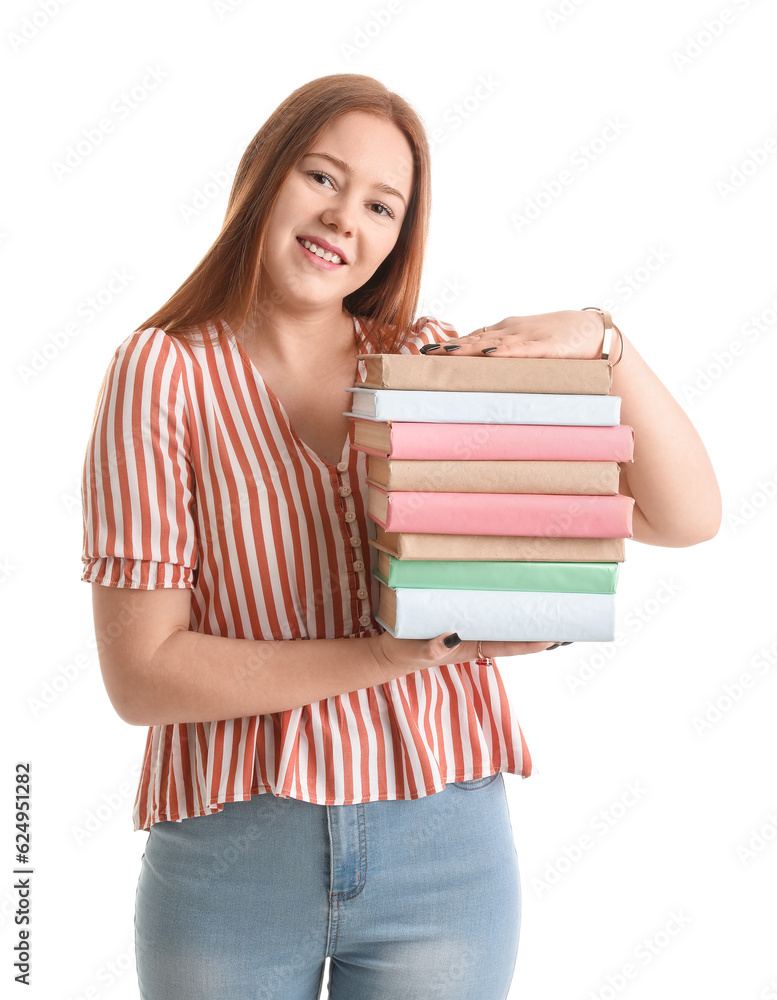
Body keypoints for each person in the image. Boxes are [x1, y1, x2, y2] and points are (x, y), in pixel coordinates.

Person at [80, 73, 721, 999]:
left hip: (445, 851)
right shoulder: (161, 371)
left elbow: (684, 515)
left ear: (397, 236)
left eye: (381, 204)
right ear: (264, 178)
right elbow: (141, 676)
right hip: (232, 849)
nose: (345, 217)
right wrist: (385, 656)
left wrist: (603, 339)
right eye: (322, 177)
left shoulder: (426, 360)